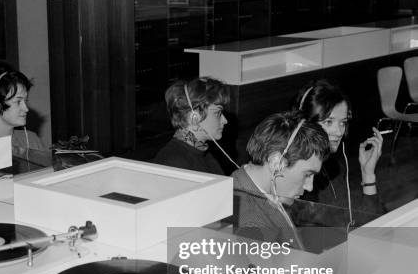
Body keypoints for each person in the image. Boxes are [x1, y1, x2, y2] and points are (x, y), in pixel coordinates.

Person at [293, 79, 384, 227]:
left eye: (343, 122)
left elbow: (371, 222)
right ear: (304, 124)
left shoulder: (332, 166)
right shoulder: (297, 177)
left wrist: (368, 175)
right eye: (329, 122)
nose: (339, 131)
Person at [231, 111, 330, 247]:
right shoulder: (252, 227)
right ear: (276, 162)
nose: (310, 187)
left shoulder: (252, 184)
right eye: (307, 174)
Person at [154, 76, 237, 174]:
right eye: (218, 113)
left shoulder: (205, 153)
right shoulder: (172, 161)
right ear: (194, 118)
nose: (225, 120)